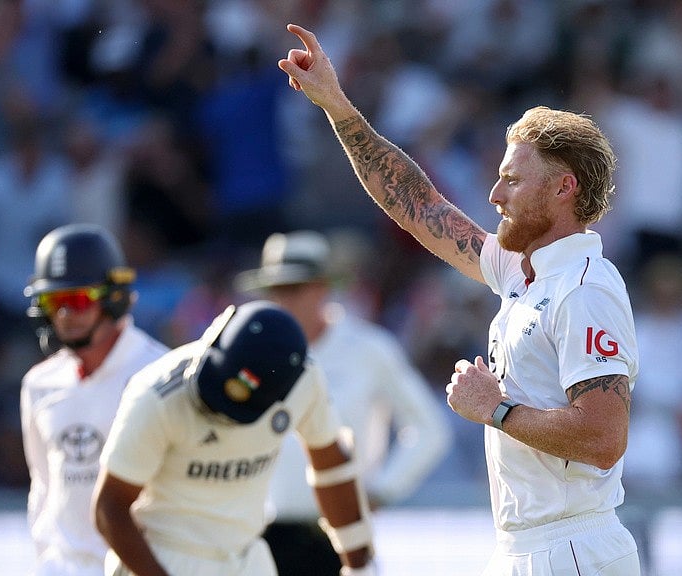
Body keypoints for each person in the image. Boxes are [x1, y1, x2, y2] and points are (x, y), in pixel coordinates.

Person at [279, 24, 641, 575]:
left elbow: (603, 437)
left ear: (563, 188)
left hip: (570, 547)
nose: (494, 195)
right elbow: (419, 205)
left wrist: (495, 409)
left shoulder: (585, 286)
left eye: (513, 181)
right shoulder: (524, 273)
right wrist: (336, 104)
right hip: (528, 543)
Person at [92, 300, 376, 576]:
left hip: (246, 555)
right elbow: (109, 507)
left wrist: (359, 564)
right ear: (214, 338)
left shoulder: (302, 380)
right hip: (166, 554)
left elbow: (332, 465)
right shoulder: (157, 394)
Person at [234, 229, 451, 575]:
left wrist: (381, 490)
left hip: (342, 537)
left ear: (322, 288)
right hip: (259, 536)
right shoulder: (248, 354)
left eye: (293, 289)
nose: (282, 302)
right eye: (275, 291)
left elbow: (430, 428)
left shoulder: (368, 349)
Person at [20, 223, 169, 576]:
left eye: (77, 299)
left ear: (112, 297)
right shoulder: (39, 384)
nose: (66, 315)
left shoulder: (160, 373)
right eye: (53, 301)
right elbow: (43, 487)